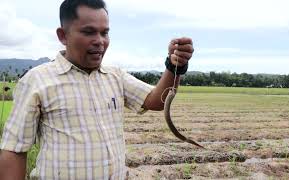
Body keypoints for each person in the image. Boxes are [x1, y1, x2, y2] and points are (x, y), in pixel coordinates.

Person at [0, 0, 194, 179]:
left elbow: (156, 100)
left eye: (105, 32)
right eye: (89, 32)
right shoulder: (37, 80)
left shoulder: (115, 76)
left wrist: (174, 65)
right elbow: (14, 150)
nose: (100, 41)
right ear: (63, 36)